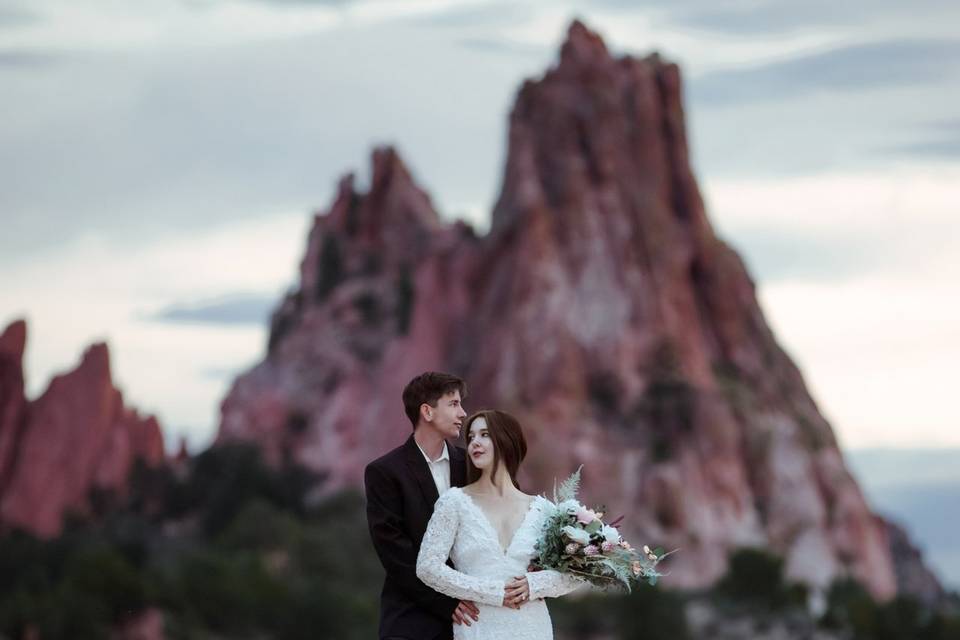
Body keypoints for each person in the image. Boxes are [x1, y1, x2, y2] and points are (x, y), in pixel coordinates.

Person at [416, 409, 586, 639]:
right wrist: (492, 592)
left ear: (507, 440)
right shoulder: (454, 502)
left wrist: (534, 584)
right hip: (478, 626)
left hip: (532, 627)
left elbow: (578, 572)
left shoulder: (544, 510)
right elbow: (427, 567)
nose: (475, 442)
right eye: (471, 437)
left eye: (484, 434)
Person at [365, 372, 481, 640]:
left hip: (475, 617)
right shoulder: (384, 472)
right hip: (412, 619)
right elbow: (395, 552)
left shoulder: (473, 465)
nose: (463, 413)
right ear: (427, 412)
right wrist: (446, 604)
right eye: (453, 404)